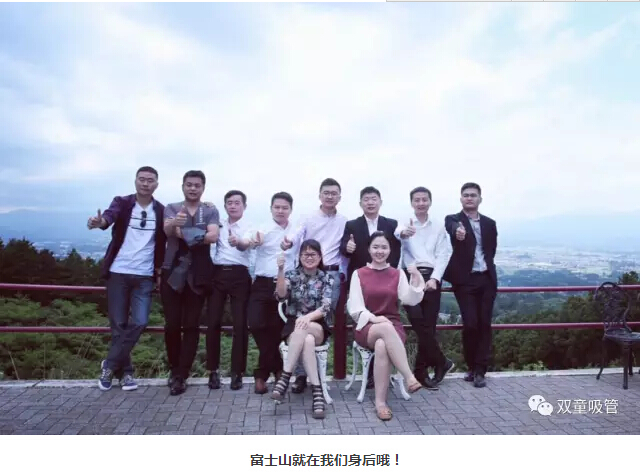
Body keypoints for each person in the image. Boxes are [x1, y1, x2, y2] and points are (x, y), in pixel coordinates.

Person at [88, 166, 166, 392]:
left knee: (140, 321)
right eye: (142, 179)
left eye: (150, 180)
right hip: (118, 272)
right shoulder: (122, 202)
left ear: (156, 184)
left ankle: (109, 365)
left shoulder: (161, 210)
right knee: (119, 325)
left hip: (145, 276)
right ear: (135, 181)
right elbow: (108, 217)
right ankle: (126, 374)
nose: (145, 183)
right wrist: (100, 222)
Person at [347, 231, 424, 421]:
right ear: (369, 249)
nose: (379, 251)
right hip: (367, 325)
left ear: (390, 250)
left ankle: (380, 403)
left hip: (393, 325)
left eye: (384, 247)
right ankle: (409, 376)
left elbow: (409, 299)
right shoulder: (359, 274)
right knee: (385, 328)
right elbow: (355, 308)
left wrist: (415, 278)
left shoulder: (397, 274)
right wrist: (376, 319)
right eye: (375, 247)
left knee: (382, 344)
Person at [281, 178, 347, 393]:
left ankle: (303, 374)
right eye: (326, 192)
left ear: (339, 197)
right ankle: (302, 376)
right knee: (304, 320)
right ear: (320, 195)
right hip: (307, 272)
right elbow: (297, 233)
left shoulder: (344, 221)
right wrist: (289, 241)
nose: (330, 196)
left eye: (334, 193)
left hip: (331, 275)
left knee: (322, 317)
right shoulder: (309, 217)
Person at [161, 170, 220, 396]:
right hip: (172, 271)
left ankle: (182, 374)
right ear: (182, 186)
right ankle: (174, 369)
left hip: (199, 273)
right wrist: (193, 232)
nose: (193, 188)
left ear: (203, 187)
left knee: (192, 325)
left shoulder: (210, 210)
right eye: (189, 184)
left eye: (197, 185)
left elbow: (214, 236)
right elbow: (168, 230)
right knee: (172, 324)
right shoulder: (172, 208)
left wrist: (183, 231)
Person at [340, 185, 401, 389]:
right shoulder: (352, 225)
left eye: (374, 198)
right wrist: (347, 248)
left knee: (385, 320)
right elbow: (343, 248)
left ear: (380, 202)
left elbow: (398, 247)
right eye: (366, 199)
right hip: (362, 282)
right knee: (366, 320)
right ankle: (375, 374)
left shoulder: (391, 224)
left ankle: (378, 374)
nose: (370, 202)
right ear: (360, 203)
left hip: (385, 282)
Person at [395, 186, 454, 389]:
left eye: (424, 199)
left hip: (431, 277)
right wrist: (404, 233)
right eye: (417, 200)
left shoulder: (438, 226)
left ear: (430, 201)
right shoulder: (405, 223)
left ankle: (421, 372)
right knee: (418, 322)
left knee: (428, 327)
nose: (421, 203)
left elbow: (443, 254)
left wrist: (435, 278)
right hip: (410, 276)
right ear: (411, 202)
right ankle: (442, 362)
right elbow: (397, 234)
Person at [270, 239, 335, 420]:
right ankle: (317, 393)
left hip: (317, 324)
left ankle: (285, 377)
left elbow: (326, 307)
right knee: (306, 339)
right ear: (299, 257)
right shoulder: (291, 275)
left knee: (305, 330)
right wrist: (280, 270)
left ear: (320, 257)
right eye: (305, 254)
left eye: (313, 254)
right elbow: (281, 296)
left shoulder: (326, 278)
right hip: (294, 325)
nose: (309, 257)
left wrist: (307, 318)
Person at [443, 182, 498, 388]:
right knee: (471, 324)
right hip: (465, 281)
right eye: (465, 195)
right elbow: (452, 228)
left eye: (473, 195)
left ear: (480, 199)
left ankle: (480, 370)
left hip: (486, 279)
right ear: (461, 199)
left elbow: (491, 250)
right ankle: (471, 366)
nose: (469, 198)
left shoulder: (490, 223)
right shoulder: (453, 220)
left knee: (484, 324)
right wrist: (458, 231)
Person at [248, 192, 297, 394]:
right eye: (277, 207)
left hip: (285, 284)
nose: (280, 211)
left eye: (285, 207)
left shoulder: (296, 231)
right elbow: (249, 240)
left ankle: (262, 375)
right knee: (256, 323)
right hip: (262, 282)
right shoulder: (262, 228)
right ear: (271, 209)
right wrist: (253, 241)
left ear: (290, 209)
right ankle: (276, 368)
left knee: (278, 328)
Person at [207, 190, 255, 390]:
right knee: (212, 322)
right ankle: (213, 371)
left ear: (244, 206)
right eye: (229, 203)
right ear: (225, 206)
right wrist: (207, 207)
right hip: (217, 273)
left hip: (240, 275)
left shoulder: (249, 226)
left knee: (240, 324)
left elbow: (246, 244)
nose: (233, 206)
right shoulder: (218, 223)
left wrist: (238, 242)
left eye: (237, 203)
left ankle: (237, 372)